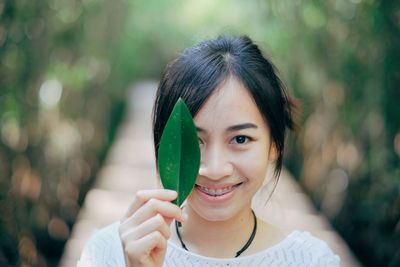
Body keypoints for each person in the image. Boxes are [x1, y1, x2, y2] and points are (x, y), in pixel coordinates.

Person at [78, 35, 340, 266]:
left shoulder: (312, 261)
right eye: (195, 140)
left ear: (274, 145)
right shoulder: (109, 252)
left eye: (240, 139)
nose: (214, 169)